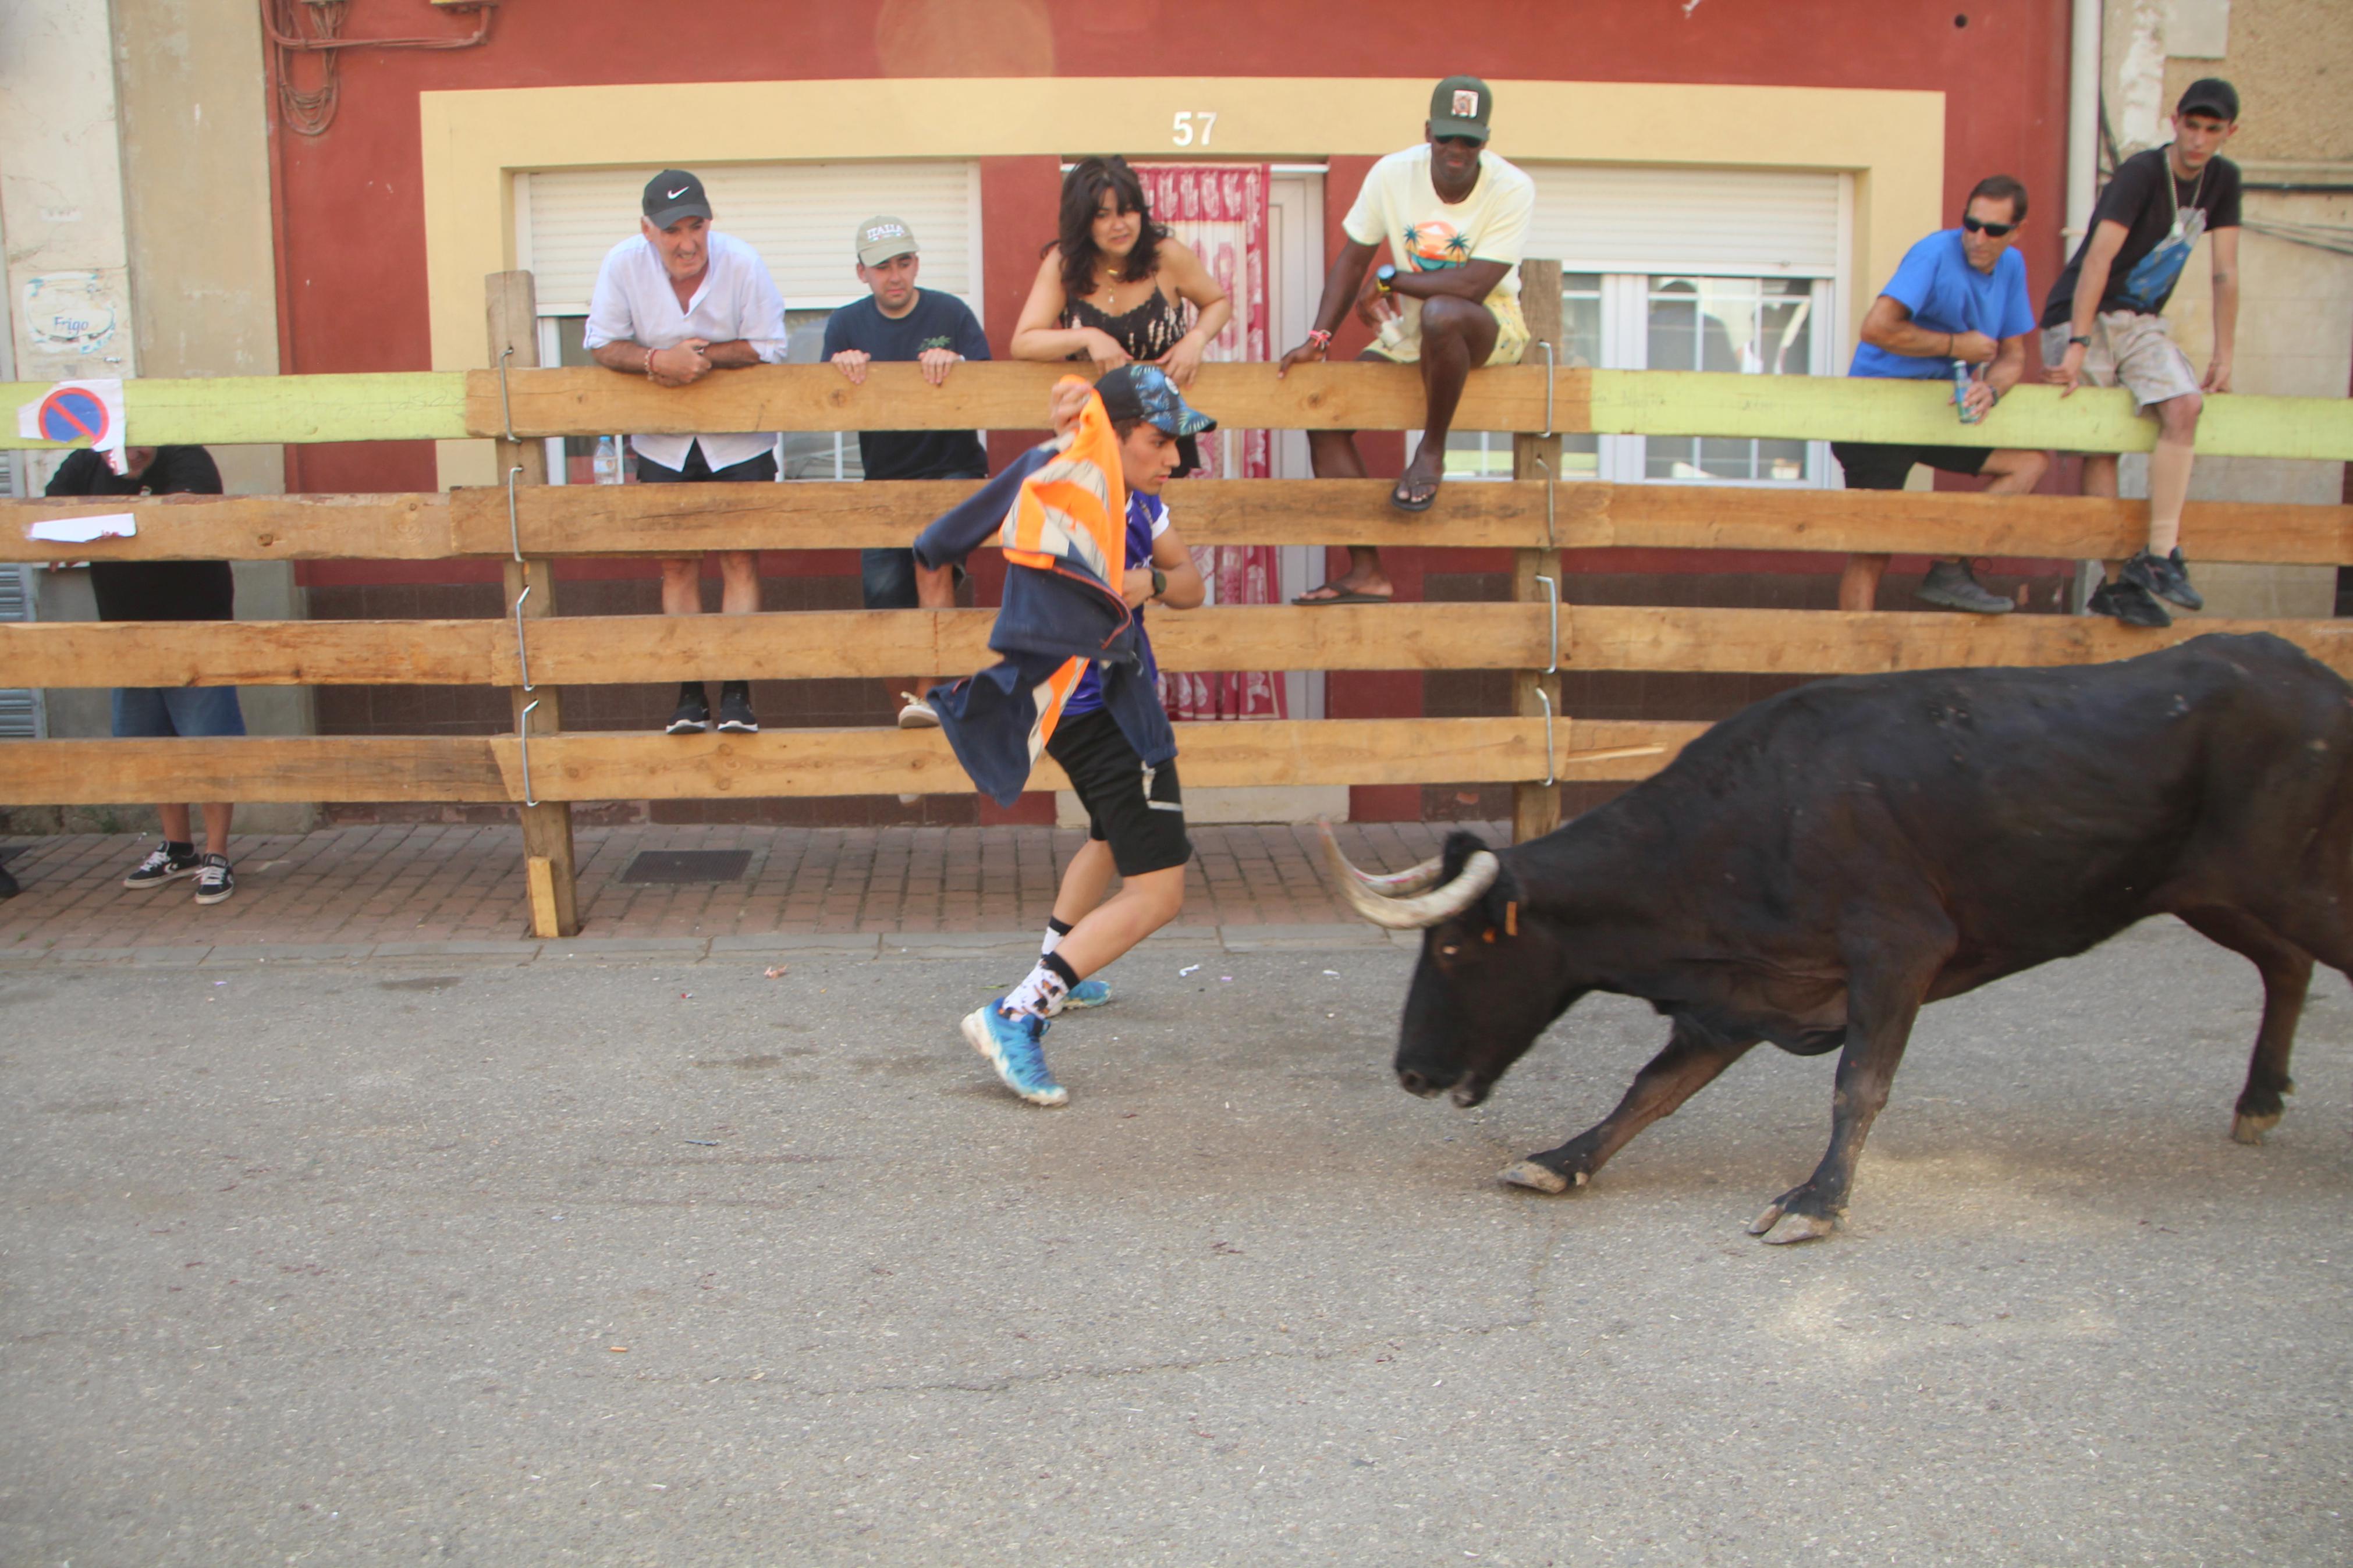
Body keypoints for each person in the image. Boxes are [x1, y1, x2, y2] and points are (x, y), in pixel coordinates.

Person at [909, 365, 1211, 1107]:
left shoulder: (1145, 505)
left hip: (1106, 707)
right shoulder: (1048, 475)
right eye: (1158, 441)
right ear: (1112, 432)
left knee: (1109, 838)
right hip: (1101, 715)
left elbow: (1194, 587)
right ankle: (1017, 1013)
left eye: (1177, 444)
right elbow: (935, 545)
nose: (1173, 459)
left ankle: (1060, 967)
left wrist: (1153, 586)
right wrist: (938, 660)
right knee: (1160, 890)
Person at [1277, 76, 1534, 604]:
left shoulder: (1512, 187)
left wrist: (1392, 279)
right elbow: (1353, 259)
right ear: (1428, 134)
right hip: (1416, 331)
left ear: (1485, 141)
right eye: (1446, 139)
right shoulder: (1392, 174)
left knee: (1444, 312)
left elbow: (1474, 285)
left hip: (1492, 324)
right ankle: (1367, 570)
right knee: (1323, 418)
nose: (1457, 151)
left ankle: (1431, 452)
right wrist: (1319, 336)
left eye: (1469, 141)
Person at [583, 169, 789, 733]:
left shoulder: (741, 262)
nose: (687, 242)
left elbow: (770, 345)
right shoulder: (622, 263)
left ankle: (738, 695)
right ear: (647, 230)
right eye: (673, 230)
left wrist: (701, 357)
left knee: (739, 558)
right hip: (660, 439)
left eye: (696, 226)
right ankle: (690, 693)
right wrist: (656, 362)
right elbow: (601, 342)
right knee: (675, 563)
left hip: (739, 438)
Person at [2042, 78, 2243, 629]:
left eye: (2212, 130)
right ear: (2174, 121)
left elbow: (2224, 270)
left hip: (2141, 320)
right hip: (2082, 311)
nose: (2199, 140)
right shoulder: (2140, 173)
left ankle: (2159, 555)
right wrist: (2079, 342)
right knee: (2102, 447)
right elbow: (2098, 258)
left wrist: (2225, 354)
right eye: (2191, 126)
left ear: (2229, 132)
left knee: (2184, 406)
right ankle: (2112, 586)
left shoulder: (2223, 180)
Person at [1830, 175, 2052, 614]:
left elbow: (2012, 355)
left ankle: (1949, 565)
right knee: (1874, 550)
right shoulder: (1933, 251)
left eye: (1993, 230)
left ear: (2017, 231)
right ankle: (1852, 673)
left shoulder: (2012, 267)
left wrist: (1991, 388)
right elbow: (1876, 327)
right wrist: (1956, 346)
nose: (1977, 237)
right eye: (1971, 224)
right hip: (1878, 412)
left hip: (1935, 411)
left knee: (2027, 463)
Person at [45, 445, 242, 905]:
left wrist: (94, 530)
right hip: (125, 630)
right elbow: (50, 518)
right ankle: (179, 848)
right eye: (120, 440)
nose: (132, 449)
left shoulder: (186, 456)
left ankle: (217, 852)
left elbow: (182, 518)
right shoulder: (84, 462)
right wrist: (85, 528)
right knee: (148, 742)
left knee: (209, 742)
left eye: (140, 439)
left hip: (195, 625)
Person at [824, 215, 992, 728]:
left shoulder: (951, 312)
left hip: (953, 469)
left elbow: (991, 385)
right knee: (883, 612)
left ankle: (930, 704)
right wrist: (842, 366)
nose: (894, 275)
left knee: (931, 564)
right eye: (882, 267)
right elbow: (822, 400)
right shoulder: (845, 323)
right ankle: (910, 721)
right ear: (862, 273)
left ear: (916, 263)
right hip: (884, 481)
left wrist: (956, 363)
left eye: (903, 262)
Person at [1010, 156, 1231, 474]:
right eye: (1103, 215)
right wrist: (1089, 336)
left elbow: (1218, 303)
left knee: (1159, 522)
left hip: (1161, 430)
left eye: (1128, 211)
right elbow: (1023, 342)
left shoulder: (1167, 256)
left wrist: (1196, 339)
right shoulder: (1064, 265)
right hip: (1092, 427)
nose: (1120, 224)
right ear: (1083, 220)